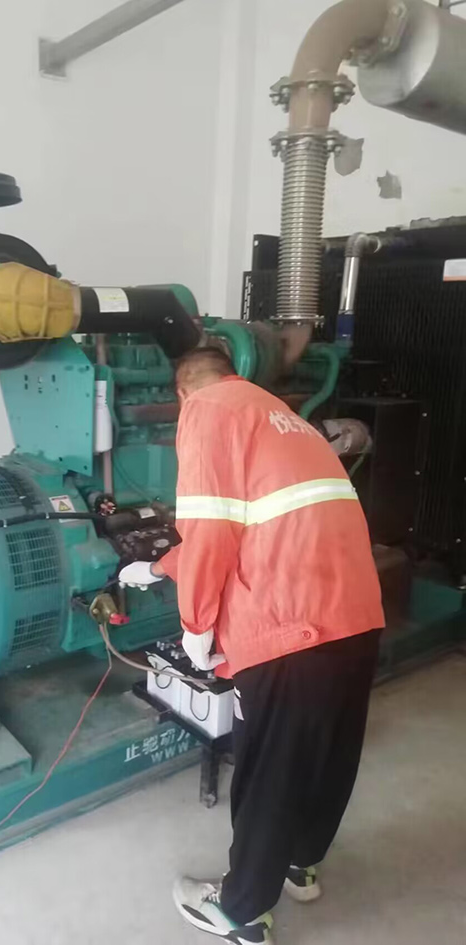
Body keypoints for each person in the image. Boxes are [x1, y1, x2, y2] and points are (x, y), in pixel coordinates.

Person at [118, 346, 384, 945]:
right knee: (328, 753)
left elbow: (211, 530)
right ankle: (301, 864)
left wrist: (196, 627)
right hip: (355, 617)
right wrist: (158, 568)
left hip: (288, 630)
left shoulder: (208, 411)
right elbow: (257, 525)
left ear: (184, 393)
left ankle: (240, 911)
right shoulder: (288, 420)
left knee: (269, 769)